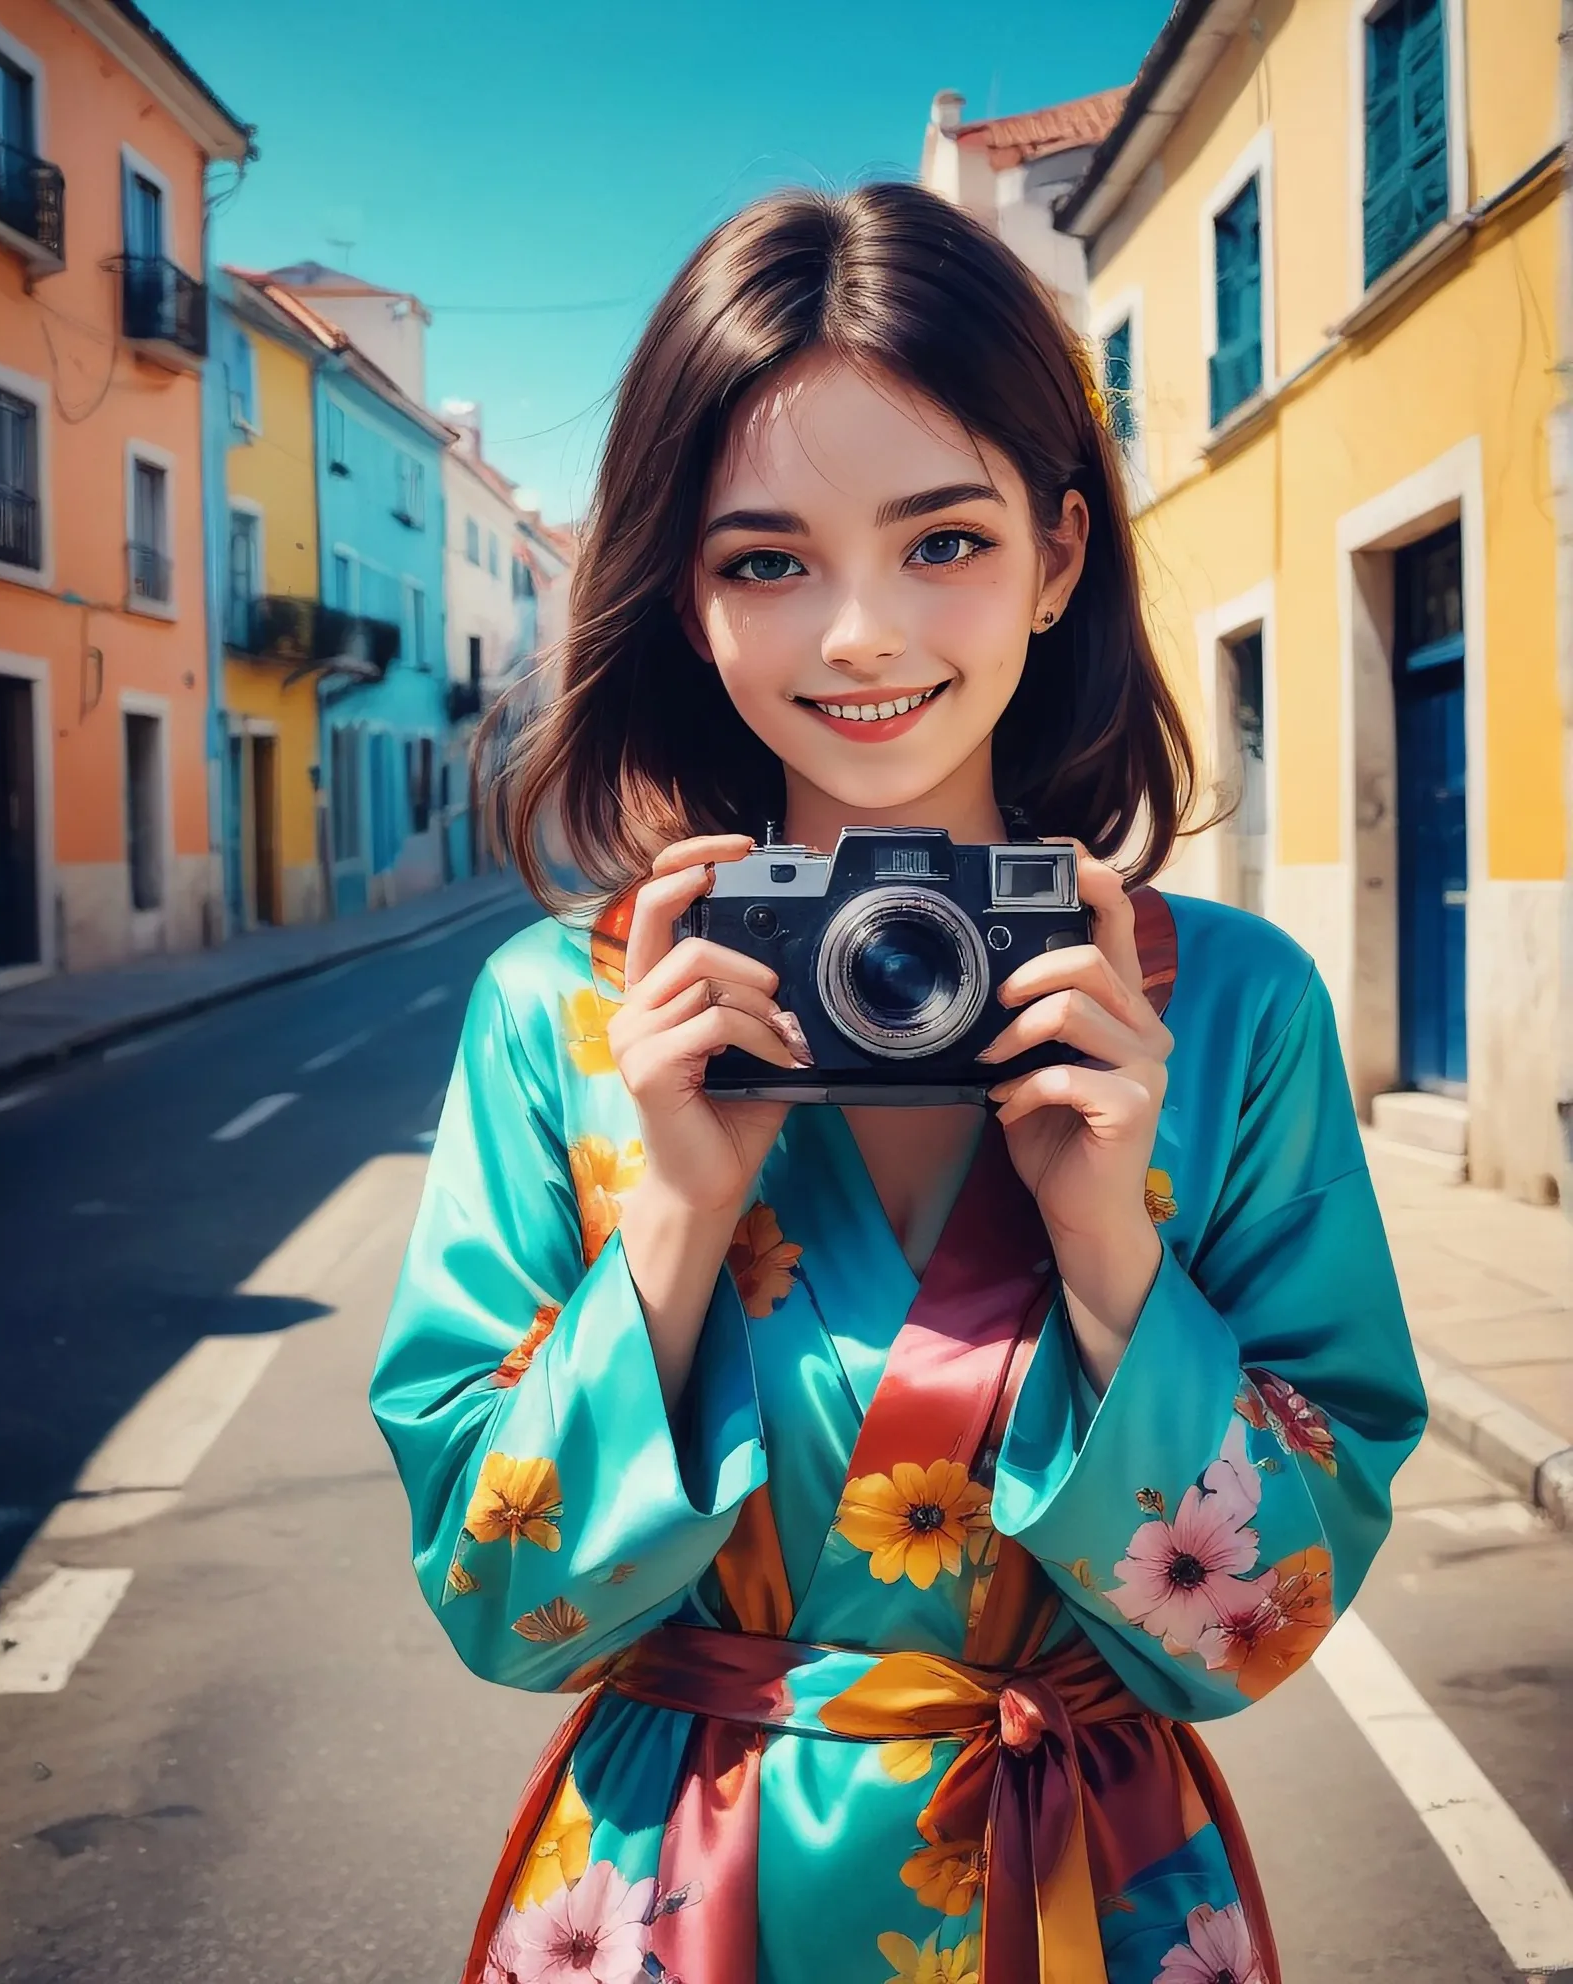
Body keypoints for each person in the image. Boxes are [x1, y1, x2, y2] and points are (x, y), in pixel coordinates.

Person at [370, 181, 1426, 1984]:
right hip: (681, 1904)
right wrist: (681, 1220)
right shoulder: (563, 1013)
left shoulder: (1232, 1012)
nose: (860, 632)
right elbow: (497, 1606)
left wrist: (1112, 1261)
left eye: (943, 540)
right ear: (688, 600)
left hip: (1091, 1897)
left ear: (1061, 553)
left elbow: (1253, 1632)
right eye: (767, 561)